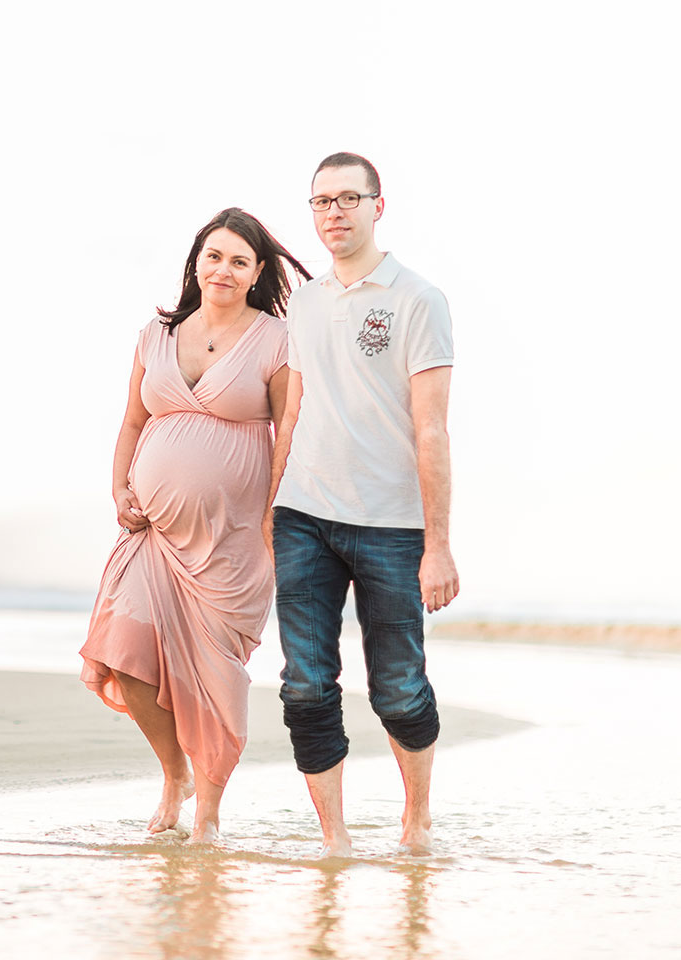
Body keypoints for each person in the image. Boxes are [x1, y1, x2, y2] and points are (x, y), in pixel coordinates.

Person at [80, 207, 309, 844]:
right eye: (214, 256)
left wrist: (274, 517)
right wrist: (120, 487)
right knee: (124, 653)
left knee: (215, 679)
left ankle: (207, 813)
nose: (224, 270)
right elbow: (131, 421)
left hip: (233, 542)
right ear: (196, 263)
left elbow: (289, 430)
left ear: (258, 272)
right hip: (151, 533)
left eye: (240, 260)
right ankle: (173, 774)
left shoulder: (277, 338)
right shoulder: (156, 334)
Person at [264, 152, 459, 858]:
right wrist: (269, 510)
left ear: (380, 205)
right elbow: (291, 415)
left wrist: (439, 544)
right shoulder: (306, 301)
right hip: (304, 516)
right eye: (321, 202)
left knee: (400, 690)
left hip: (393, 524)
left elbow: (431, 426)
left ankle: (416, 822)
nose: (334, 212)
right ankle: (335, 842)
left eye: (349, 198)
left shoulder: (418, 299)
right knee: (306, 687)